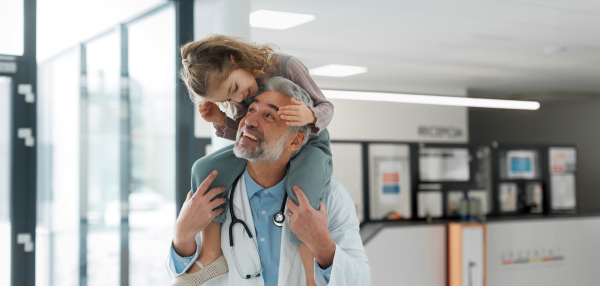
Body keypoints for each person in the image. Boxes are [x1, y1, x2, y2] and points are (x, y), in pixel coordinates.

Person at [166, 77, 370, 285]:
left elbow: (361, 280)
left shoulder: (330, 197)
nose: (249, 121)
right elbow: (185, 277)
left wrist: (322, 244)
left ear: (295, 140)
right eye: (251, 110)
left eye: (269, 116)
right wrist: (182, 236)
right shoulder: (214, 192)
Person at [177, 35, 334, 283]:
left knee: (301, 192)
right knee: (204, 167)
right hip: (270, 145)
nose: (239, 99)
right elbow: (249, 135)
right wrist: (221, 121)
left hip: (311, 140)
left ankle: (311, 275)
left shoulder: (286, 66)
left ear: (235, 58)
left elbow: (327, 107)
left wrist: (310, 115)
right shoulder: (243, 94)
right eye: (230, 99)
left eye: (234, 89)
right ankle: (211, 255)